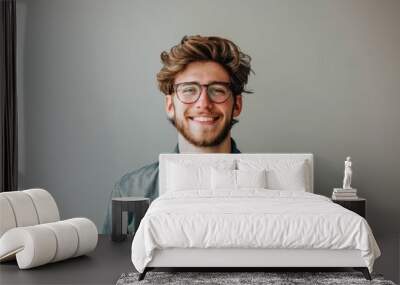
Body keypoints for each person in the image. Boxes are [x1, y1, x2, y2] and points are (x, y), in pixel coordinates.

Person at [102, 35, 253, 234]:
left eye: (217, 90)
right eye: (189, 90)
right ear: (170, 105)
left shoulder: (273, 189)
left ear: (237, 105)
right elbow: (114, 264)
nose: (203, 103)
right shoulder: (131, 191)